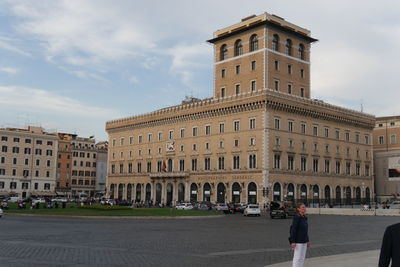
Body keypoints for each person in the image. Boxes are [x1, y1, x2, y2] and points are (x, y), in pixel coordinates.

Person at [288, 203, 310, 267]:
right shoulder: (297, 217)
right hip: (298, 241)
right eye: (302, 207)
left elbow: (305, 231)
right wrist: (292, 241)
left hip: (304, 241)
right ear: (298, 209)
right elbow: (293, 229)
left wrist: (307, 240)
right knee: (297, 258)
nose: (304, 209)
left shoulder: (305, 217)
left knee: (302, 258)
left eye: (305, 207)